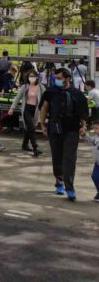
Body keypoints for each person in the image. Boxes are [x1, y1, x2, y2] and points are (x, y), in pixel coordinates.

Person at [39, 68, 89, 201]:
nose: (57, 80)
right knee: (57, 157)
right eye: (56, 78)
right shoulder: (50, 92)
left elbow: (82, 112)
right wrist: (42, 124)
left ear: (67, 78)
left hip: (72, 130)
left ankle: (70, 187)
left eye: (59, 78)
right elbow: (44, 107)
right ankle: (59, 182)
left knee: (69, 159)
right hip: (55, 129)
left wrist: (83, 126)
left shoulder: (77, 94)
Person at [9, 70, 45, 157]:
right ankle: (35, 147)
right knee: (32, 127)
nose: (31, 78)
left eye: (33, 76)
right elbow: (17, 98)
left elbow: (45, 100)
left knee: (29, 128)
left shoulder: (41, 87)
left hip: (36, 110)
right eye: (30, 76)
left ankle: (25, 145)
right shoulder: (25, 87)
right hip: (27, 109)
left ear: (37, 77)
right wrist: (12, 108)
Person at [86, 124, 99, 202]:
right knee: (95, 176)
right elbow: (89, 140)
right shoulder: (95, 137)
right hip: (97, 162)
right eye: (94, 128)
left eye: (97, 128)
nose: (95, 130)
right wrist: (84, 135)